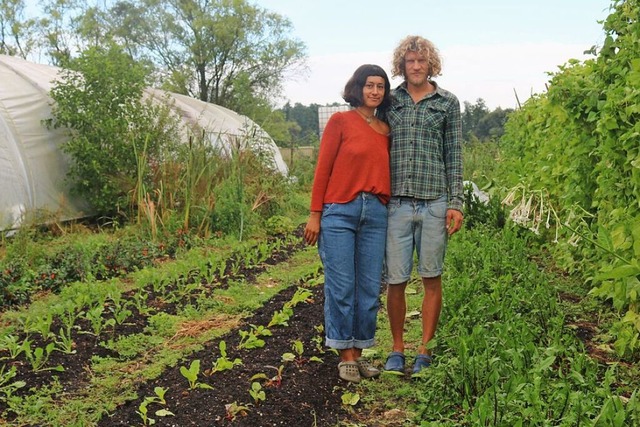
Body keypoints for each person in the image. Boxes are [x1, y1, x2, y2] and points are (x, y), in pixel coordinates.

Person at [381, 35, 464, 377]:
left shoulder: (447, 103)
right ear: (401, 65)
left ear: (431, 65)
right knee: (396, 280)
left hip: (434, 203)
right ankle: (397, 349)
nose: (415, 66)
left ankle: (425, 350)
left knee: (432, 276)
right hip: (397, 204)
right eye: (409, 61)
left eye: (421, 61)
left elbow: (454, 154)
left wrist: (455, 202)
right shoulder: (389, 101)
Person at [304, 64, 392, 383]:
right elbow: (323, 170)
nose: (374, 91)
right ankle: (346, 356)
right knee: (342, 287)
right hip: (340, 211)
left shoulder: (386, 130)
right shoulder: (340, 121)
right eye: (369, 85)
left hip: (376, 214)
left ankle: (360, 351)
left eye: (380, 86)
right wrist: (316, 213)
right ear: (358, 88)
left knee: (369, 287)